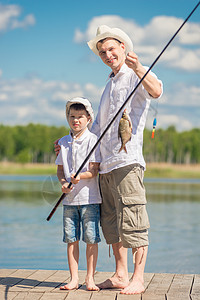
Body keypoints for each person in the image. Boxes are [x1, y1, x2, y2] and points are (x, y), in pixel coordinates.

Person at [86, 25, 163, 295]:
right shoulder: (108, 84)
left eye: (111, 49)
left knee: (134, 221)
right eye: (102, 52)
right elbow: (97, 127)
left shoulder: (133, 74)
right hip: (105, 167)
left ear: (122, 47)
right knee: (112, 225)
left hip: (127, 162)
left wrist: (140, 66)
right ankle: (120, 275)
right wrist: (72, 145)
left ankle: (138, 278)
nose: (107, 55)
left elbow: (156, 90)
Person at [55, 97, 102, 291]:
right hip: (69, 202)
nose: (76, 120)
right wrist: (64, 183)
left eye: (80, 117)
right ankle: (74, 279)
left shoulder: (93, 140)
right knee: (71, 240)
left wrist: (79, 176)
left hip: (89, 199)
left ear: (88, 118)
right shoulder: (63, 142)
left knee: (91, 239)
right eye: (72, 116)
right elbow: (59, 170)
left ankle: (90, 278)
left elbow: (94, 170)